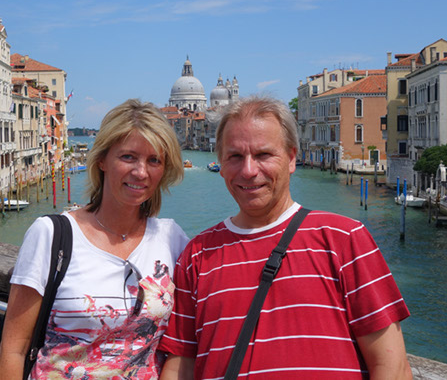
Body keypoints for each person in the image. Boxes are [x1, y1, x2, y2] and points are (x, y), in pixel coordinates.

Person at [159, 96, 411, 379]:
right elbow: (182, 363)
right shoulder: (197, 254)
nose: (249, 170)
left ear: (292, 158)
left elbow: (392, 368)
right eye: (235, 157)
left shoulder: (344, 239)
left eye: (264, 155)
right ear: (221, 162)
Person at [0, 99, 189, 379]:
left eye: (154, 160)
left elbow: (183, 344)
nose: (141, 172)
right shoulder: (50, 235)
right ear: (102, 160)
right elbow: (13, 348)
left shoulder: (172, 239)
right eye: (128, 157)